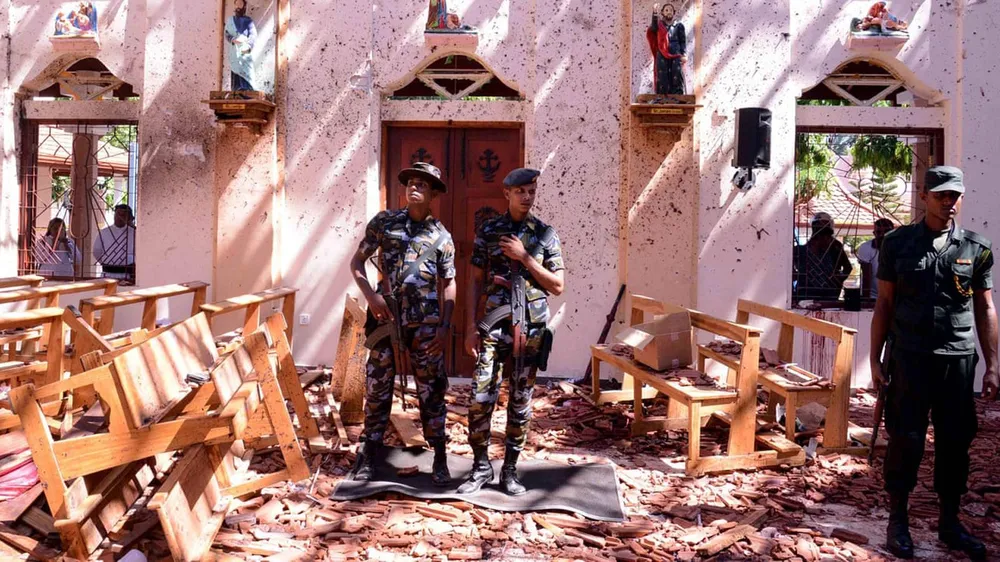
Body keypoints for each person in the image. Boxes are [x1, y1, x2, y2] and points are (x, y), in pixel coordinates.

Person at [870, 166, 998, 560]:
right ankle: (898, 521)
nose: (948, 202)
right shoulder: (897, 244)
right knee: (906, 440)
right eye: (941, 194)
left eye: (954, 195)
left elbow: (986, 309)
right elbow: (885, 305)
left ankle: (949, 523)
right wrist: (874, 361)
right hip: (909, 358)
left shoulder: (977, 248)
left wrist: (993, 365)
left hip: (956, 361)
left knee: (955, 444)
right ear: (924, 196)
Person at [348, 162, 457, 486]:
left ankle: (439, 456)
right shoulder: (384, 223)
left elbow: (449, 282)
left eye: (422, 184)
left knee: (432, 391)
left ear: (434, 193)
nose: (414, 187)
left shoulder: (441, 236)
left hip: (425, 326)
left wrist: (445, 326)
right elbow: (356, 262)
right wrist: (372, 297)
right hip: (385, 319)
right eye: (410, 182)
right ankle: (369, 453)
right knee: (377, 388)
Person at [459, 168, 565, 496]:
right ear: (506, 194)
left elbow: (558, 285)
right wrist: (469, 329)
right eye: (520, 191)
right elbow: (474, 281)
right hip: (493, 326)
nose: (526, 196)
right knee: (480, 398)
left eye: (531, 190)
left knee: (520, 402)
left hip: (529, 330)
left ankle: (509, 470)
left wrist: (525, 258)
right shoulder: (489, 230)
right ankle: (479, 466)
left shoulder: (546, 235)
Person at [793, 212, 853, 301]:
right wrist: (798, 275)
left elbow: (848, 267)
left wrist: (838, 280)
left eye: (824, 225)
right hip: (806, 292)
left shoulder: (836, 247)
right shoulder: (801, 250)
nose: (821, 227)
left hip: (829, 292)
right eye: (817, 225)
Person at [646, 2, 687, 96]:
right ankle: (662, 95)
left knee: (676, 72)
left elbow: (682, 41)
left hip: (676, 53)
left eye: (671, 10)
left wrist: (684, 54)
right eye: (666, 10)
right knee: (662, 73)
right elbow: (653, 28)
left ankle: (677, 95)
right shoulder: (659, 26)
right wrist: (654, 13)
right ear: (662, 13)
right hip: (662, 53)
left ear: (674, 12)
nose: (669, 12)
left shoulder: (679, 26)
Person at [93, 204, 136, 284]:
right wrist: (106, 261)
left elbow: (138, 253)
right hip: (107, 273)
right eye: (118, 214)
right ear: (114, 215)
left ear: (128, 217)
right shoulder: (104, 232)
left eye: (124, 215)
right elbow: (97, 251)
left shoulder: (134, 233)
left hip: (126, 275)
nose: (120, 217)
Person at [858, 218, 894, 300]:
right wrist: (866, 300)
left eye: (886, 232)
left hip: (894, 295)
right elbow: (866, 275)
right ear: (874, 233)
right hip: (872, 295)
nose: (882, 235)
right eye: (879, 232)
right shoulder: (866, 247)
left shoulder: (899, 248)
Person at [225, 0, 257, 92]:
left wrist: (248, 45)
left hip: (244, 48)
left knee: (246, 67)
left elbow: (253, 35)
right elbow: (226, 33)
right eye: (237, 5)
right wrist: (232, 39)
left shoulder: (248, 21)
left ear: (244, 6)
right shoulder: (230, 20)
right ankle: (236, 88)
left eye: (241, 4)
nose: (238, 7)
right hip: (234, 49)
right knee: (235, 67)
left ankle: (247, 87)